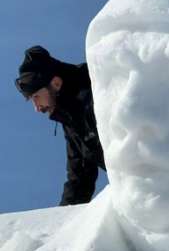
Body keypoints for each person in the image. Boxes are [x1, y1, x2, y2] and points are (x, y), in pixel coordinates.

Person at [14, 45, 105, 206]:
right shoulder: (72, 122)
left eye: (36, 96)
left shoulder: (98, 93)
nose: (36, 108)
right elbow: (79, 180)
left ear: (56, 83)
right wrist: (60, 224)